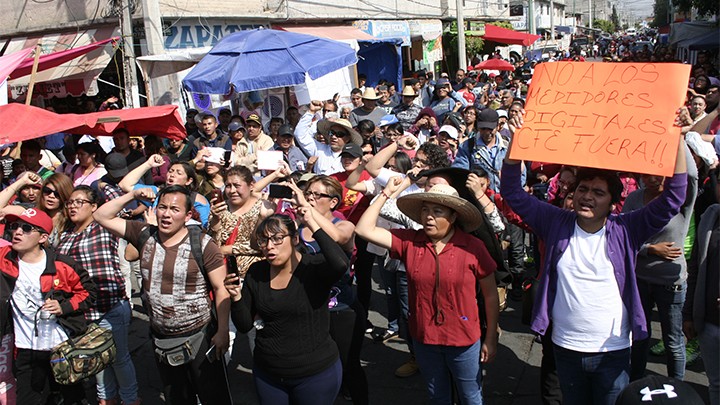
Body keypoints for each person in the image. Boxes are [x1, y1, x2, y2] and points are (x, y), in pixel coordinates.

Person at [500, 113, 688, 404]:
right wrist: (517, 139)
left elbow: (674, 197)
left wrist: (677, 139)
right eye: (582, 190)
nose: (587, 197)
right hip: (564, 347)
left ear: (613, 204)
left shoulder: (627, 229)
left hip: (612, 351)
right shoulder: (555, 221)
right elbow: (512, 192)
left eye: (598, 193)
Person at [356, 180, 498, 405]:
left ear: (453, 217)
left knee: (471, 396)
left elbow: (490, 295)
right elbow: (363, 229)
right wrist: (386, 193)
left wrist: (490, 337)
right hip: (424, 337)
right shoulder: (410, 241)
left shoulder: (473, 246)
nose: (428, 217)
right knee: (437, 396)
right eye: (425, 210)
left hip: (464, 339)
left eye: (437, 211)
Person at [93, 185, 232, 404]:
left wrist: (223, 330)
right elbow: (101, 215)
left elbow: (220, 288)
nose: (166, 214)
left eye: (174, 209)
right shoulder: (144, 235)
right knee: (177, 398)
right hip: (162, 340)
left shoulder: (203, 244)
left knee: (213, 397)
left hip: (200, 337)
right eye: (162, 207)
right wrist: (132, 195)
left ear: (187, 216)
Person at [226, 212, 349, 405]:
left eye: (277, 238)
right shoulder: (256, 272)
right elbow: (243, 325)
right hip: (268, 374)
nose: (269, 246)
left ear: (294, 239)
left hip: (315, 375)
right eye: (263, 240)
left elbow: (341, 264)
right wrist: (236, 298)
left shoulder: (313, 268)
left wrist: (310, 222)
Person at [2, 208, 96, 404]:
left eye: (26, 228)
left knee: (71, 399)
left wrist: (65, 306)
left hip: (60, 347)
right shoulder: (4, 259)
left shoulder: (63, 265)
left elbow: (89, 293)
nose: (17, 232)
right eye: (15, 226)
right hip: (25, 348)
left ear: (43, 237)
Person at [57, 186, 139, 405]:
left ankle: (130, 400)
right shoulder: (64, 235)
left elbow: (116, 198)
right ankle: (106, 399)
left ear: (94, 206)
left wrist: (102, 185)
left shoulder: (103, 227)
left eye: (79, 202)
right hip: (84, 312)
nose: (72, 206)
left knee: (119, 359)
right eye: (70, 203)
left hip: (110, 306)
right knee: (98, 359)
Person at [623, 147, 698, 382]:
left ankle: (677, 389)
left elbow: (693, 175)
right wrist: (649, 249)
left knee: (673, 341)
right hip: (639, 280)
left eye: (658, 173)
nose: (652, 178)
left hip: (670, 284)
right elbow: (622, 236)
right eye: (647, 174)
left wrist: (680, 139)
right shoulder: (635, 198)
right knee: (640, 337)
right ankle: (635, 386)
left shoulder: (679, 200)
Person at [684, 186, 720, 405]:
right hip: (709, 324)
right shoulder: (711, 216)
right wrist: (688, 313)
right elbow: (695, 268)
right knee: (715, 384)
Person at [209, 165, 275, 278]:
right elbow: (215, 247)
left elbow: (265, 245)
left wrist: (231, 249)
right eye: (228, 186)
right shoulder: (220, 208)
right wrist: (215, 219)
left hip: (257, 273)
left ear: (251, 185)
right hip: (224, 274)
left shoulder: (264, 208)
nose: (232, 191)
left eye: (237, 185)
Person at [0, 172, 73, 247]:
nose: (51, 196)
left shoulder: (72, 218)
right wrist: (22, 181)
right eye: (47, 191)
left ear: (65, 194)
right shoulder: (32, 211)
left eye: (57, 193)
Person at [294, 101, 363, 175]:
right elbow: (300, 134)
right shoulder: (319, 149)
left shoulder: (352, 157)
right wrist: (311, 111)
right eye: (332, 133)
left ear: (348, 138)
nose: (334, 137)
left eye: (339, 134)